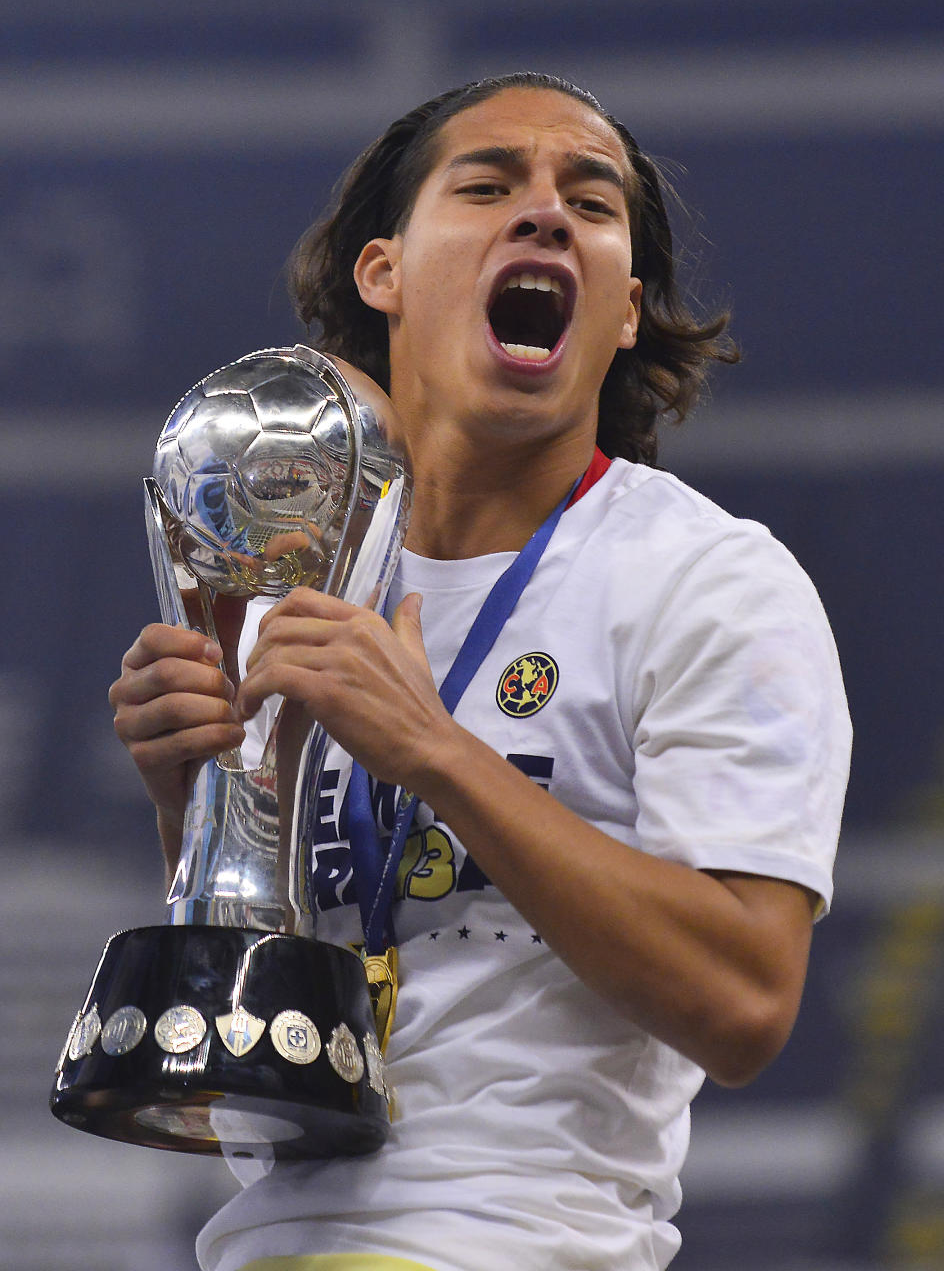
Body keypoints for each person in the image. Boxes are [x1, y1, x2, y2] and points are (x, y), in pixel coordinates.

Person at [109, 72, 850, 1271]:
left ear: (620, 313)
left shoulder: (709, 581)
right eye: (490, 185)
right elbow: (256, 1042)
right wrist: (196, 801)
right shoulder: (298, 576)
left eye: (591, 203)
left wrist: (439, 755)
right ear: (382, 272)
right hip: (262, 1245)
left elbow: (746, 1001)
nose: (547, 213)